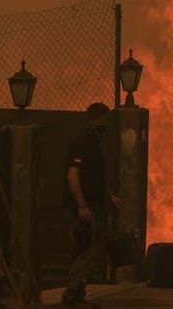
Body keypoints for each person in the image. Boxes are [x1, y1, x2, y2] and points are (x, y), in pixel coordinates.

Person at [61, 102, 122, 308]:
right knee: (83, 251)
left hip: (93, 206)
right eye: (103, 121)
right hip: (82, 209)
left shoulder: (94, 144)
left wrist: (107, 195)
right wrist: (81, 206)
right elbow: (73, 175)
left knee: (91, 251)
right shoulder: (82, 143)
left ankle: (79, 293)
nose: (105, 127)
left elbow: (92, 177)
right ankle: (72, 296)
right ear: (95, 120)